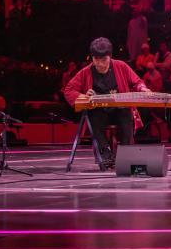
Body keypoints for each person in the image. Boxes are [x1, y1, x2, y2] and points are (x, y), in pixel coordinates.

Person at [63, 37, 152, 169]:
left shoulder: (121, 66)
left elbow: (137, 82)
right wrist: (84, 96)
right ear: (92, 57)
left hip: (119, 110)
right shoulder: (86, 71)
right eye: (96, 59)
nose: (99, 64)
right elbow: (69, 90)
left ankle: (126, 156)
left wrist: (143, 89)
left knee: (126, 113)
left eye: (103, 59)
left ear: (110, 56)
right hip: (99, 112)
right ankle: (105, 156)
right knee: (93, 117)